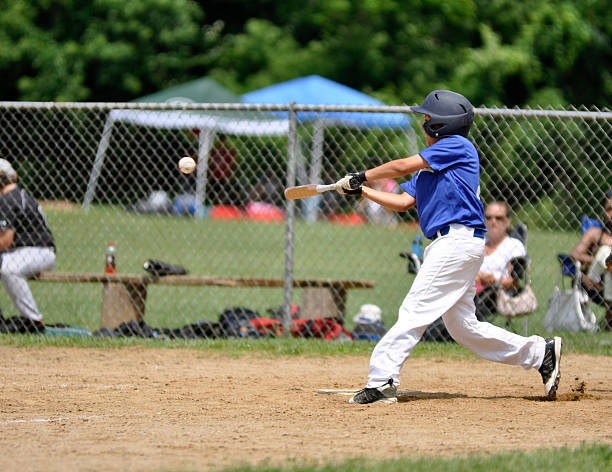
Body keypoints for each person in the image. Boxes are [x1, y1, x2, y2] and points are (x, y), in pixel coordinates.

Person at [334, 90, 561, 404]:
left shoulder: (456, 146)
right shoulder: (432, 166)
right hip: (453, 244)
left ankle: (382, 381)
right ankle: (540, 352)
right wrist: (363, 191)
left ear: (441, 125)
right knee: (463, 327)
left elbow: (400, 166)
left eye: (427, 118)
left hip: (455, 242)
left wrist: (363, 175)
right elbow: (402, 202)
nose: (423, 123)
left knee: (414, 311)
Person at [0, 159, 56, 329]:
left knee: (8, 269)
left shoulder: (7, 200)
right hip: (32, 251)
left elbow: (5, 240)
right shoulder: (18, 194)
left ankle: (34, 320)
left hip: (37, 251)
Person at [474, 201, 527, 321]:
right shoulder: (477, 243)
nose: (493, 222)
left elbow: (513, 283)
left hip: (492, 295)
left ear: (508, 221)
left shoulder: (514, 246)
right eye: (488, 217)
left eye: (499, 218)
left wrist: (490, 281)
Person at [572, 190, 612, 306]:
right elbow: (575, 254)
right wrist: (599, 261)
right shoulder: (595, 233)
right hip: (596, 285)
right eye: (609, 209)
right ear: (604, 211)